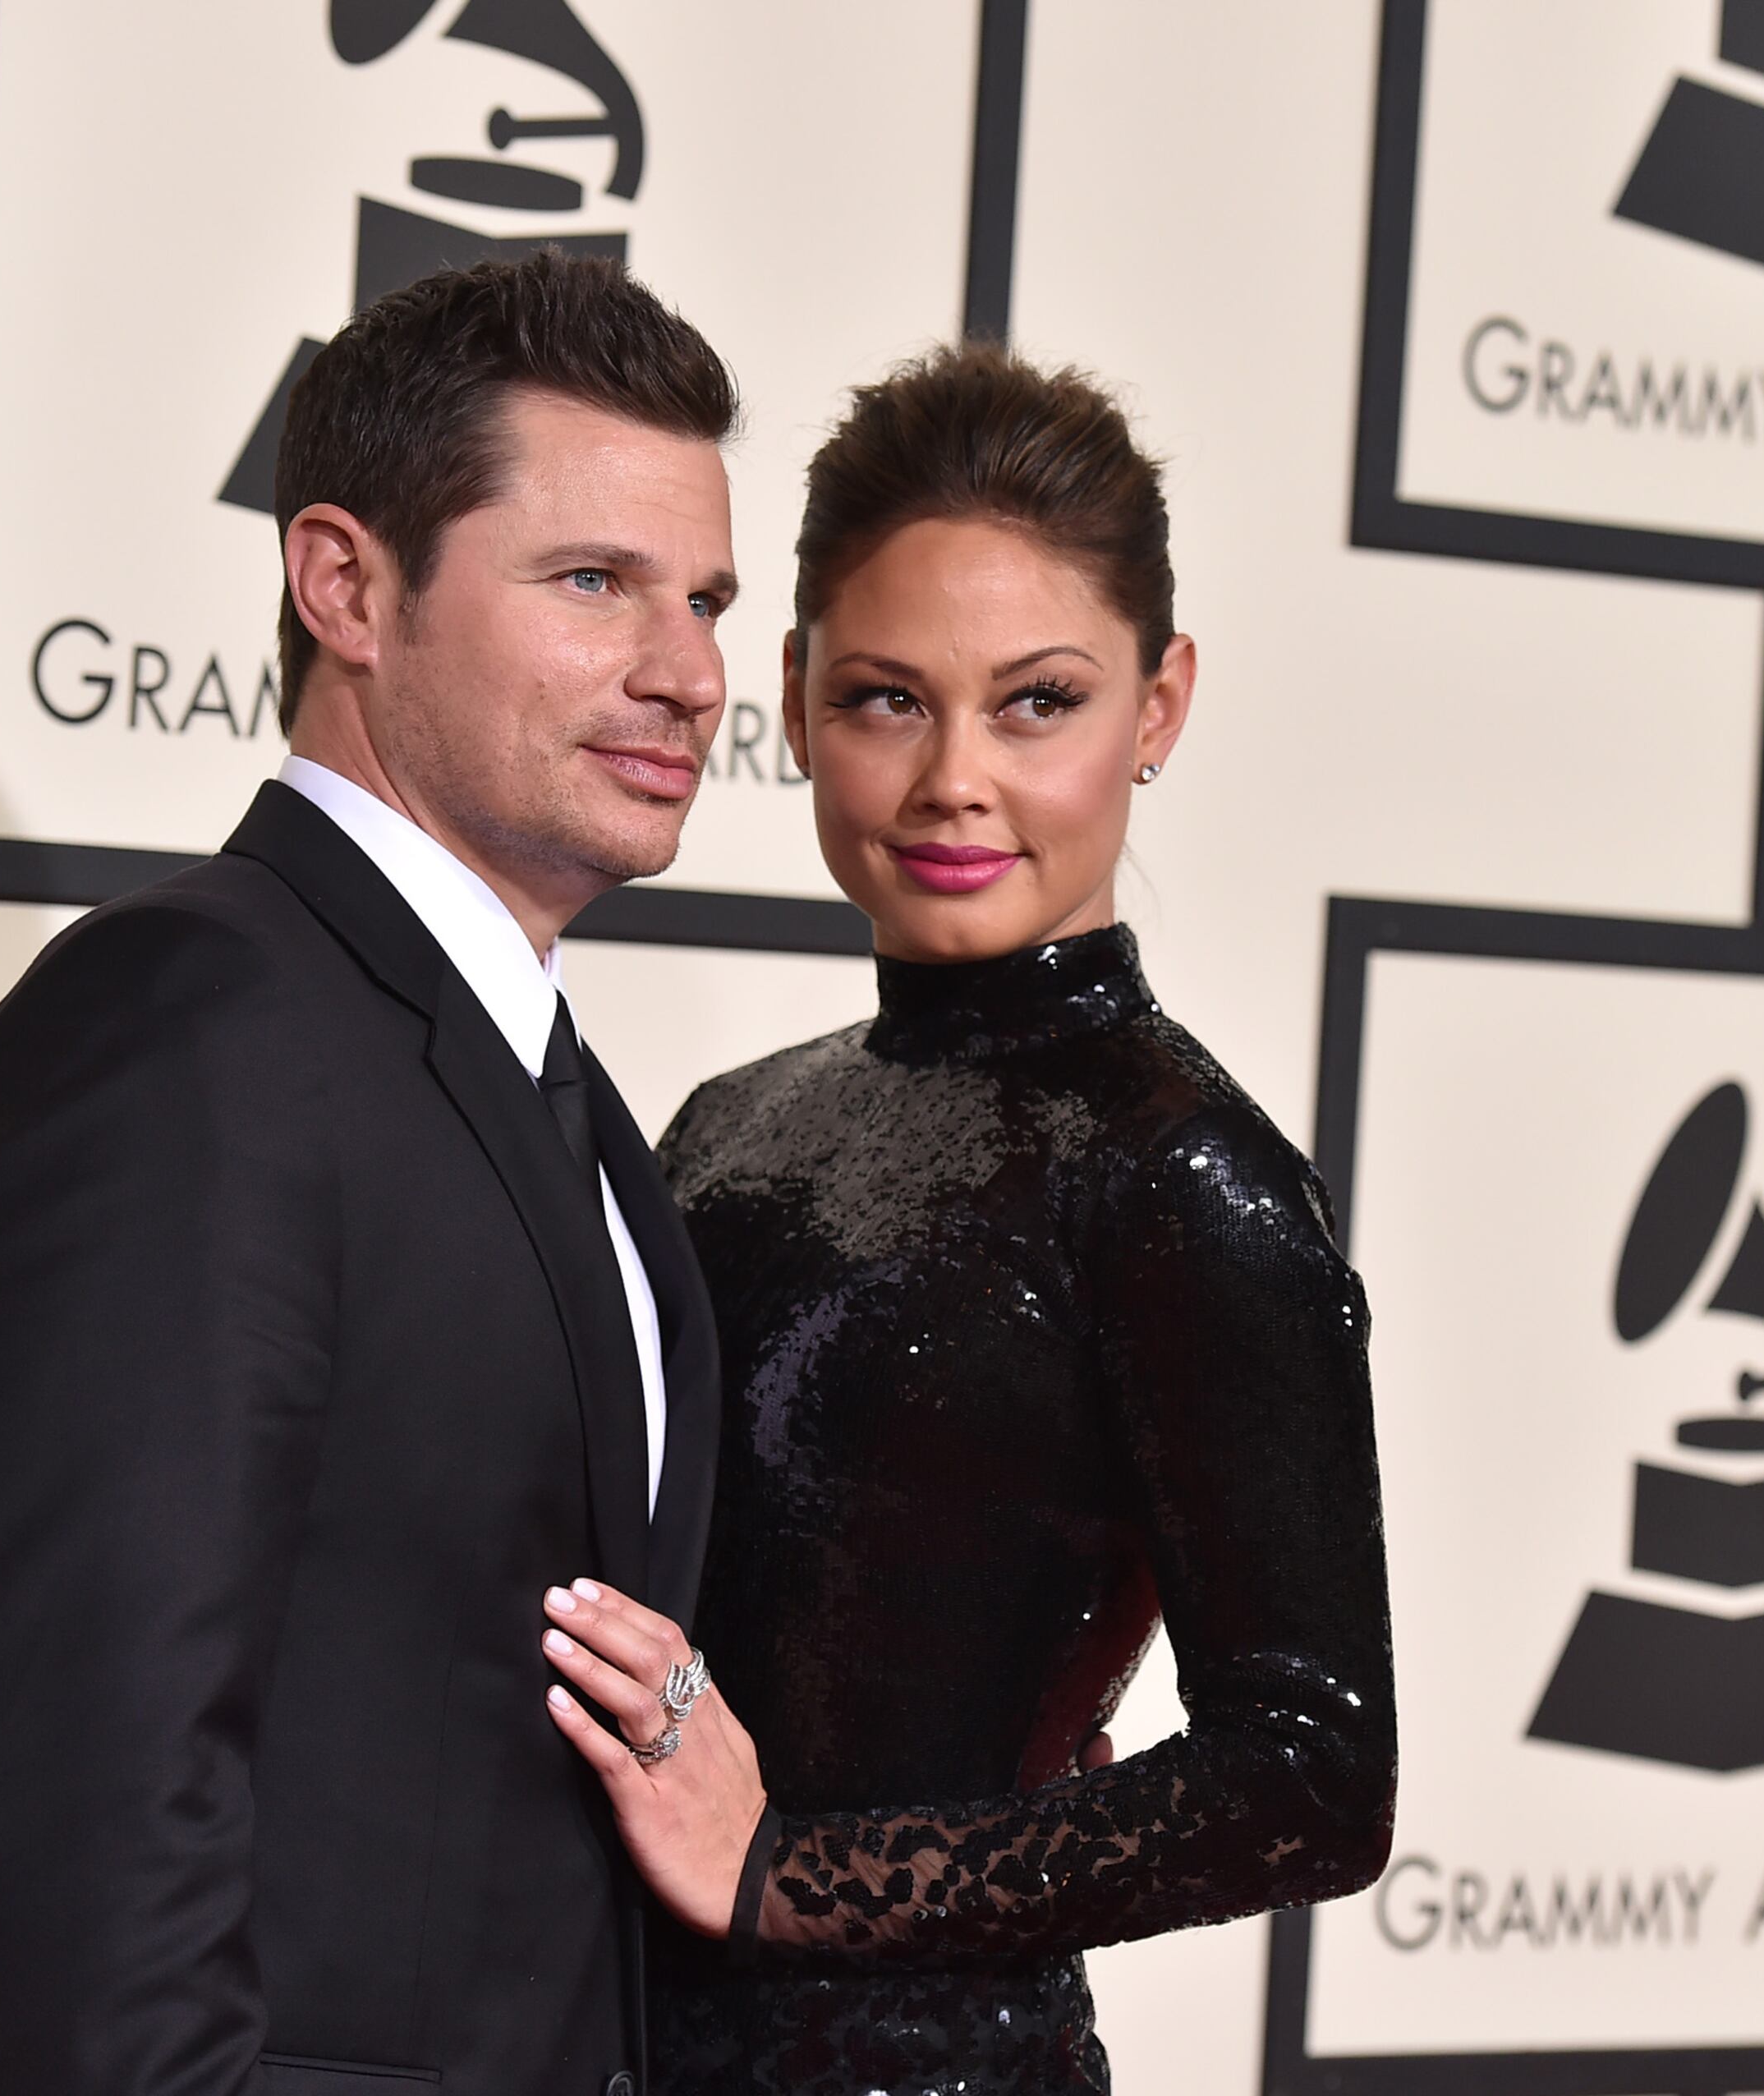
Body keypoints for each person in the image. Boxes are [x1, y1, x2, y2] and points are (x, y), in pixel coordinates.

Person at [0, 253, 742, 2096]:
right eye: (595, 582)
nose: (689, 673)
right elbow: (90, 1814)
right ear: (346, 583)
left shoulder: (545, 1084)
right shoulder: (189, 1029)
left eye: (708, 601)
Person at [529, 343, 1399, 2094]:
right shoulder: (729, 1121)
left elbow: (1311, 1774)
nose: (951, 781)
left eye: (1038, 701)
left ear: (1158, 709)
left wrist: (795, 1875)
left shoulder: (1181, 1177)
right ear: (791, 696)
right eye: (885, 698)